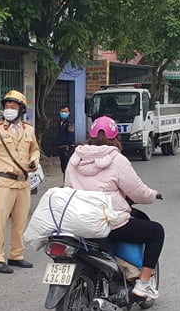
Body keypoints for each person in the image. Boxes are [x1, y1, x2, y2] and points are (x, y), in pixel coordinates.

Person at [65, 116, 164, 300]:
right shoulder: (117, 159)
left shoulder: (75, 158)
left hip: (78, 221)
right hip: (108, 223)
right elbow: (137, 191)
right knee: (156, 231)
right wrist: (152, 194)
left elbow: (68, 188)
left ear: (90, 136)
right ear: (115, 137)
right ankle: (143, 284)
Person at [0, 90, 41, 274]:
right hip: (4, 183)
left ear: (21, 109)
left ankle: (16, 255)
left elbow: (35, 150)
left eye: (13, 106)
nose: (9, 109)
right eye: (7, 106)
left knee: (20, 222)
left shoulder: (29, 130)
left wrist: (34, 160)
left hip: (23, 183)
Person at [57, 105, 76, 178]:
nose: (63, 113)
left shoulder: (69, 123)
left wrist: (69, 146)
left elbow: (71, 135)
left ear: (69, 112)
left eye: (65, 112)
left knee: (67, 166)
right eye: (62, 111)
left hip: (67, 148)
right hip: (60, 147)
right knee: (63, 165)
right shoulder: (60, 122)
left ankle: (67, 181)